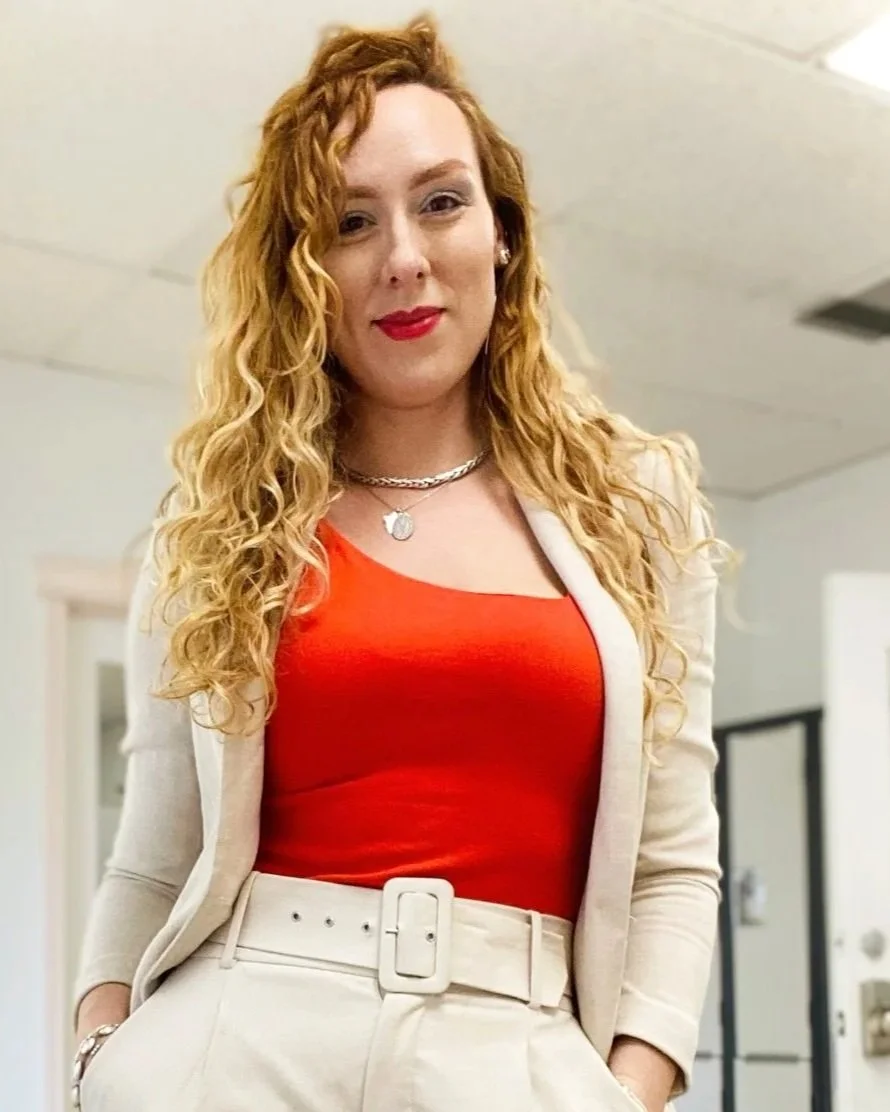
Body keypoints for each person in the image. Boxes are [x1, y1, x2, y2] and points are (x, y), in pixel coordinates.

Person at [71, 14, 727, 1112]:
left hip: (515, 1052)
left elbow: (673, 865)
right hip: (235, 1038)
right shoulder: (220, 519)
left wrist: (627, 1091)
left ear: (500, 231)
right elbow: (150, 853)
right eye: (348, 221)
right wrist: (98, 1055)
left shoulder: (636, 506)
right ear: (303, 271)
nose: (404, 258)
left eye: (438, 200)